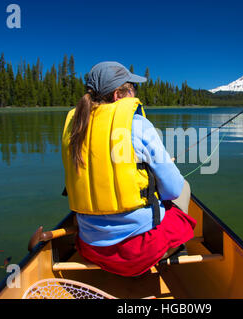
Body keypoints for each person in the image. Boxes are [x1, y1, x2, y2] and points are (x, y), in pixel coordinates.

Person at [61, 61, 196, 277]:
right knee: (184, 186)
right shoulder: (138, 125)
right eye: (132, 89)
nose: (134, 93)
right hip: (137, 253)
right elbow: (173, 190)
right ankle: (174, 248)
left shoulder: (74, 126)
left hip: (91, 248)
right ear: (118, 95)